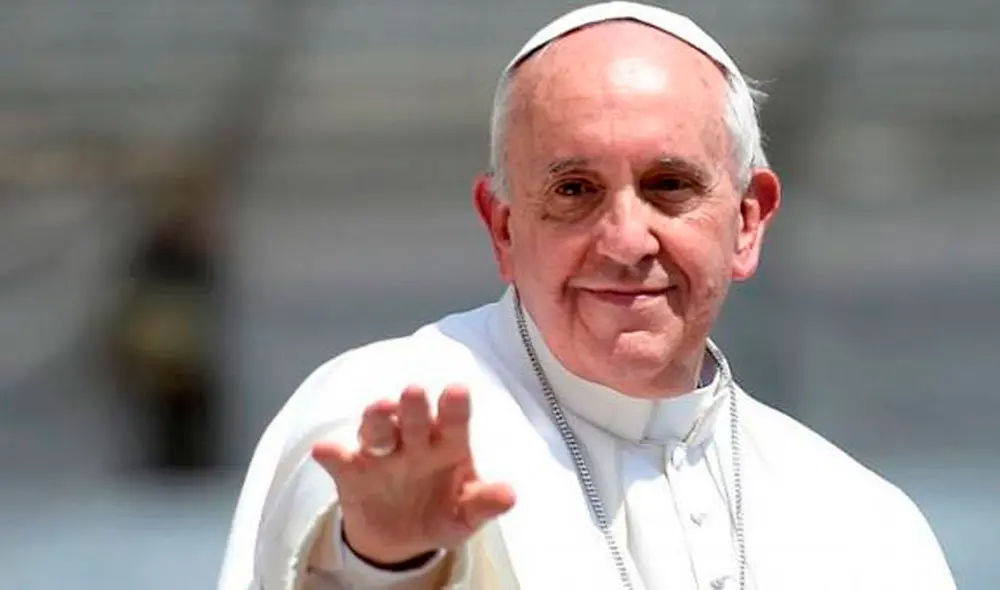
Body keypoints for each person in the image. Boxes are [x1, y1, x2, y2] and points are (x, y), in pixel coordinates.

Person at [218, 3, 956, 589]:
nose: (626, 240)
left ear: (748, 221)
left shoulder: (862, 522)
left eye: (670, 186)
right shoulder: (394, 409)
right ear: (503, 229)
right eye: (574, 191)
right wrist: (387, 564)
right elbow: (320, 550)